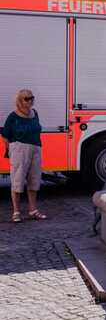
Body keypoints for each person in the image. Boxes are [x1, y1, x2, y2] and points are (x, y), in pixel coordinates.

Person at [2, 89, 46, 223]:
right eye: (27, 98)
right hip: (19, 148)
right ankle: (16, 212)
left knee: (34, 179)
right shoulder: (13, 116)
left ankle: (33, 210)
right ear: (20, 100)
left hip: (35, 148)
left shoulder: (35, 113)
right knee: (17, 180)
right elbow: (5, 135)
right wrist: (12, 149)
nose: (30, 100)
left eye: (32, 97)